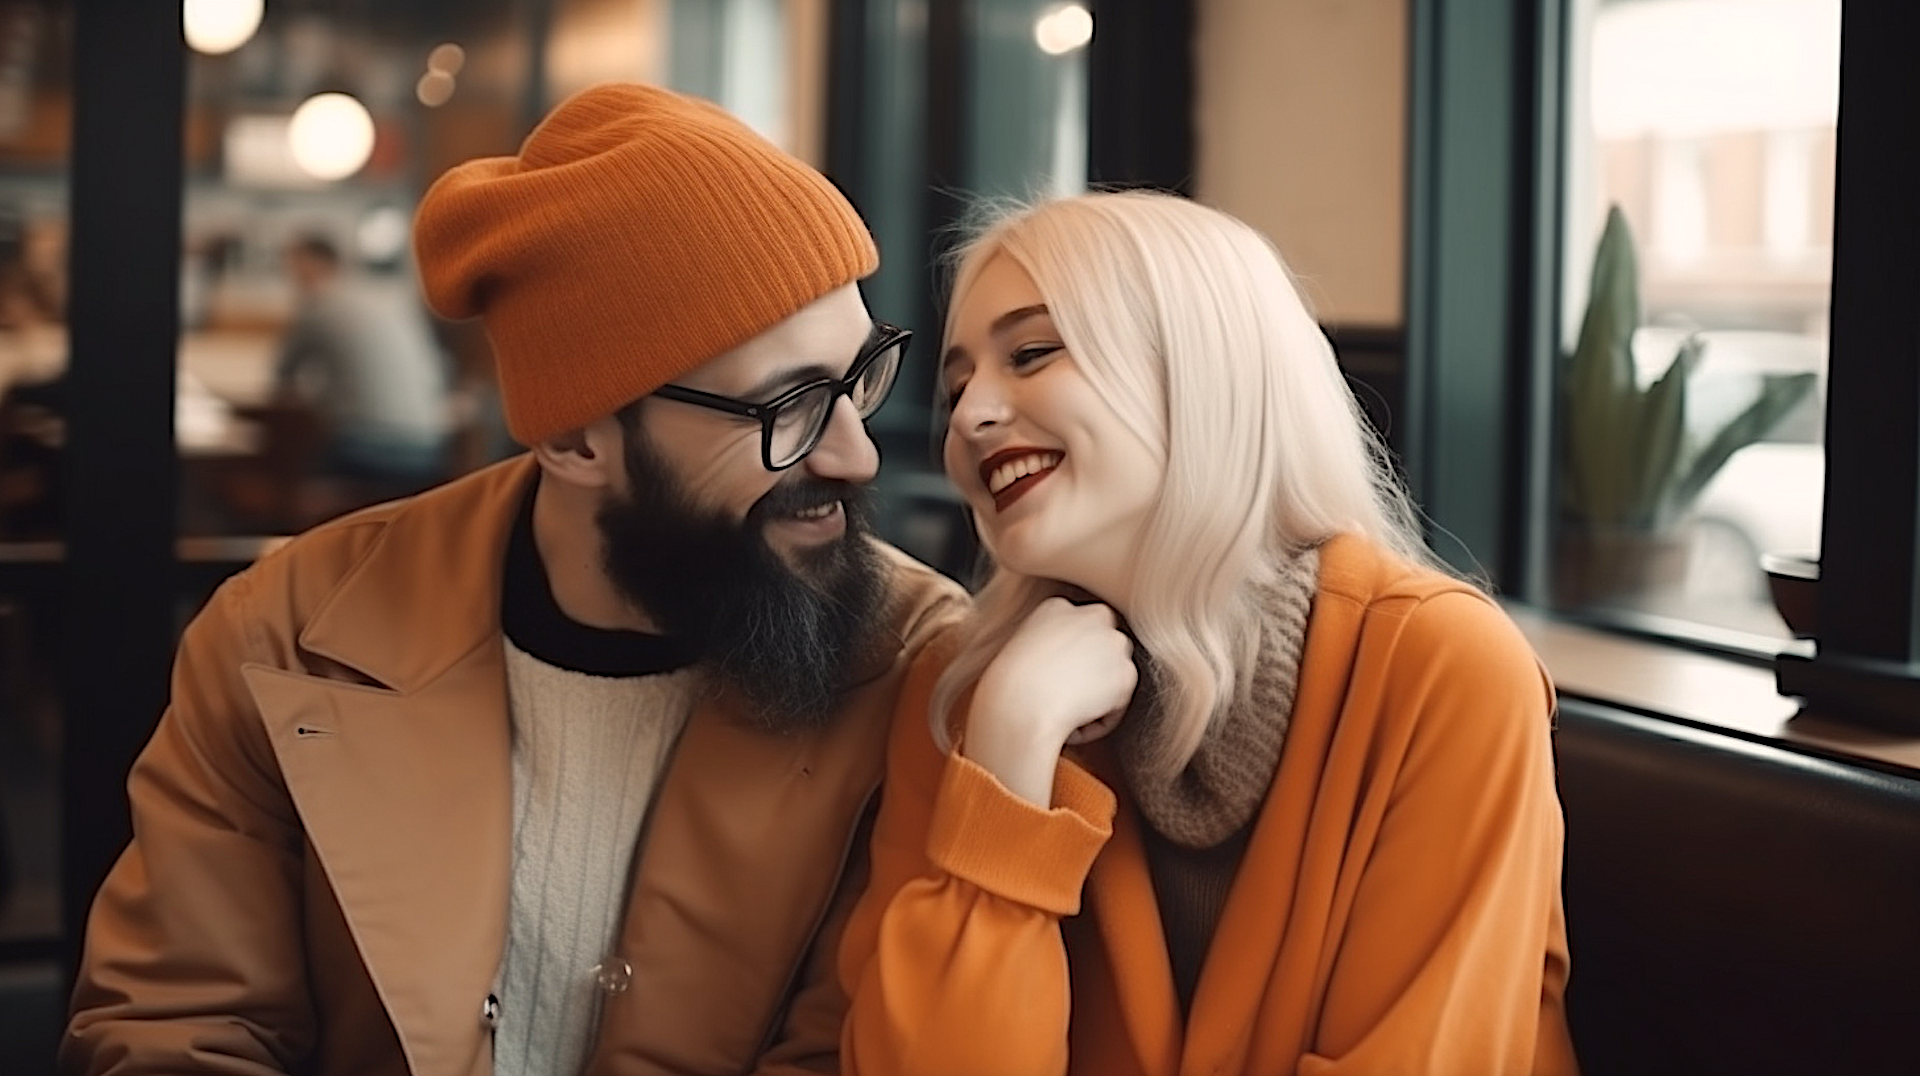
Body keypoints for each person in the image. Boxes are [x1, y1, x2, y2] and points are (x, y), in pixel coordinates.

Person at [62, 82, 967, 1076]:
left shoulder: (919, 663)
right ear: (576, 436)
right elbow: (173, 1023)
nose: (855, 454)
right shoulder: (284, 632)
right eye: (789, 406)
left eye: (859, 378)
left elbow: (854, 1049)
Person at [837, 191, 1578, 1076]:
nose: (968, 417)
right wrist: (1010, 761)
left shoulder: (1445, 668)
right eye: (957, 386)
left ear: (1202, 368)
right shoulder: (970, 695)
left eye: (1031, 353)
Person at [273, 231, 456, 497]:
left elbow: (283, 375)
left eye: (293, 268)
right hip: (429, 450)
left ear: (309, 264)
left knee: (287, 471)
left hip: (365, 451)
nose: (292, 278)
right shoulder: (391, 299)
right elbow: (439, 377)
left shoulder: (319, 303)